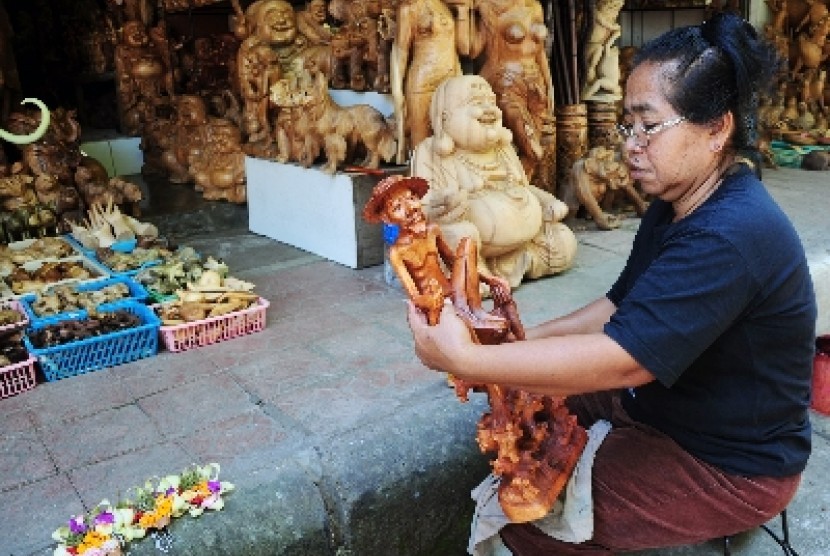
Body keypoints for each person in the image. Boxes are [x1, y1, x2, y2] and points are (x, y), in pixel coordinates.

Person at [406, 13, 817, 554]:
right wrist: (517, 346)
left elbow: (626, 359)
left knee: (529, 517)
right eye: (628, 125)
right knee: (528, 412)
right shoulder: (676, 203)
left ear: (717, 128)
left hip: (732, 464)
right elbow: (617, 307)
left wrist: (466, 360)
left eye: (649, 125)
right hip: (665, 407)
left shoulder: (730, 234)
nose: (631, 144)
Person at [412, 74, 577, 289]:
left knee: (564, 240)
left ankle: (514, 264)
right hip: (473, 242)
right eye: (477, 103)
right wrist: (441, 205)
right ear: (445, 118)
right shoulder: (430, 152)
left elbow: (524, 188)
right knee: (460, 235)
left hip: (519, 241)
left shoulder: (502, 148)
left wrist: (548, 202)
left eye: (491, 102)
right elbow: (421, 208)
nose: (489, 109)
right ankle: (475, 272)